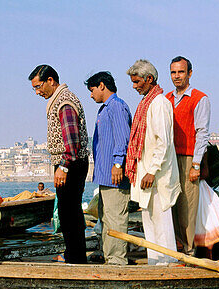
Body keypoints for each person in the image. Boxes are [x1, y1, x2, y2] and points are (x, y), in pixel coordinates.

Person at [29, 64, 90, 263]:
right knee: (68, 211)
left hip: (70, 164)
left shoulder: (64, 101)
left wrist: (63, 167)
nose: (37, 92)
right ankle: (74, 254)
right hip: (69, 163)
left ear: (51, 81)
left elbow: (72, 141)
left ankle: (75, 257)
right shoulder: (59, 100)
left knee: (69, 212)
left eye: (39, 87)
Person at [126, 59, 180, 265]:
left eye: (137, 81)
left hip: (157, 176)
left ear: (149, 79)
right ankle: (155, 264)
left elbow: (163, 143)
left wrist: (152, 171)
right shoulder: (146, 103)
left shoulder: (159, 103)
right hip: (146, 176)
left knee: (162, 224)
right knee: (150, 224)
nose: (134, 86)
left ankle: (168, 264)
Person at [85, 71, 132, 265]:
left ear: (102, 85)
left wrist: (117, 164)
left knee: (116, 218)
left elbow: (123, 139)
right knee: (106, 217)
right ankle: (109, 255)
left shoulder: (116, 107)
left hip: (115, 174)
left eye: (92, 89)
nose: (91, 94)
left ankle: (117, 260)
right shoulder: (105, 109)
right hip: (105, 175)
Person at [165, 56, 211, 255]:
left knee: (188, 206)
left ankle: (190, 249)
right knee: (172, 203)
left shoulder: (200, 98)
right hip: (169, 158)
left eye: (181, 72)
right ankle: (177, 245)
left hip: (188, 158)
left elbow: (202, 133)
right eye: (174, 72)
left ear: (189, 73)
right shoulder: (167, 99)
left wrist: (196, 165)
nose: (177, 76)